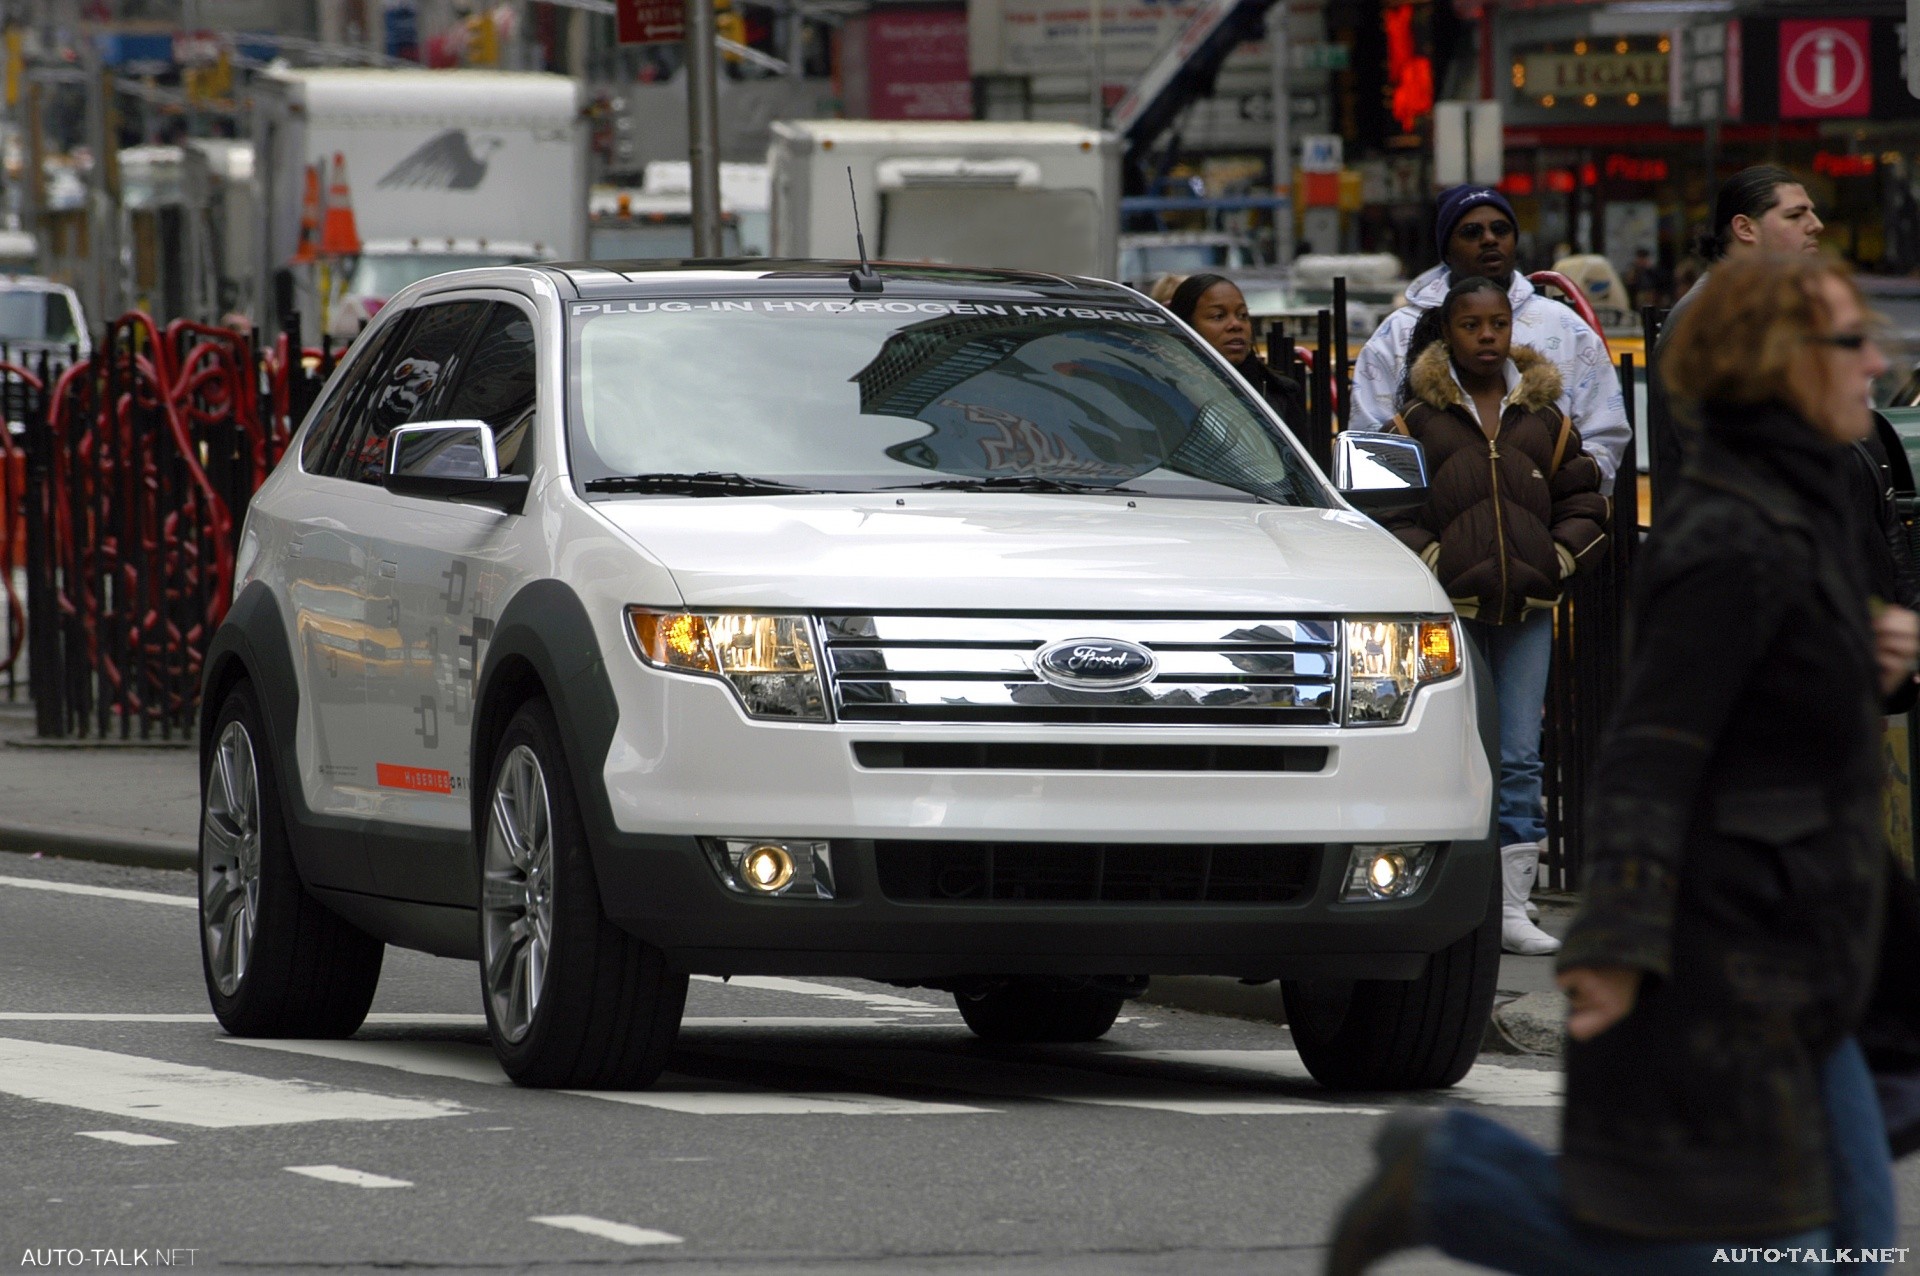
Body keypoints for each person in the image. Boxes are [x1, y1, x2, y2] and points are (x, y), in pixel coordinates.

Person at [1324, 252, 1920, 1276]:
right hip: (1733, 949)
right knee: (1734, 1257)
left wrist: (1852, 657)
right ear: (1780, 362)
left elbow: (1775, 711)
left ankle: (1455, 1180)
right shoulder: (1732, 532)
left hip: (1823, 936)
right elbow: (1653, 745)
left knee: (1846, 1249)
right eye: (1848, 341)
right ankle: (1455, 1181)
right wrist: (1613, 937)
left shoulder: (1808, 496)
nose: (1876, 361)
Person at [1382, 276, 1608, 955]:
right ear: (1447, 333)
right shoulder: (1412, 422)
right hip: (1448, 614)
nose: (1487, 337)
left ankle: (1513, 907)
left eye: (1498, 324)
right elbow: (1388, 513)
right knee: (1447, 751)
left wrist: (1561, 560)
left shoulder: (1546, 419)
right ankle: (1447, 897)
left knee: (1516, 756)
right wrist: (1430, 561)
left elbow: (1587, 500)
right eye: (1471, 325)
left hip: (1528, 612)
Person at [1351, 187, 1631, 492]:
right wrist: (1423, 531)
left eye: (1501, 229)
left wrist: (1553, 506)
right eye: (1471, 232)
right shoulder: (1397, 333)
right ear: (1446, 250)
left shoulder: (1566, 328)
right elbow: (1370, 442)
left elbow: (1604, 436)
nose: (1489, 239)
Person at [1650, 166, 1826, 513]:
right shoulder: (1710, 318)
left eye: (1812, 210)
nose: (1816, 224)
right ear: (1745, 228)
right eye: (1795, 215)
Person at [1167, 273, 1307, 427]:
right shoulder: (1163, 391)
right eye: (1218, 316)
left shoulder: (1279, 394)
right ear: (1185, 326)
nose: (1236, 324)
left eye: (1242, 315)